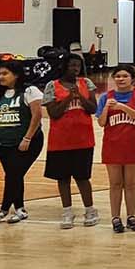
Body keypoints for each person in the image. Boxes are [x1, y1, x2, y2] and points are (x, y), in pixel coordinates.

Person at [0, 60, 46, 225]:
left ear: (16, 75)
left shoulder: (30, 91)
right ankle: (20, 209)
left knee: (13, 174)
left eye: (5, 74)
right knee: (14, 175)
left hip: (27, 142)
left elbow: (37, 115)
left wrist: (27, 137)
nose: (0, 77)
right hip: (3, 143)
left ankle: (3, 210)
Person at [44, 55, 99, 229]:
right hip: (60, 140)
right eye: (71, 65)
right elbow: (54, 113)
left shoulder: (86, 83)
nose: (75, 69)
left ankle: (90, 210)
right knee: (63, 178)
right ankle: (67, 211)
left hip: (83, 139)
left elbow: (93, 108)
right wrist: (69, 97)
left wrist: (80, 97)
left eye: (77, 66)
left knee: (83, 177)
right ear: (64, 66)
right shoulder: (52, 86)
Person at [100, 65, 135, 233]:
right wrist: (107, 108)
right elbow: (101, 122)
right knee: (115, 183)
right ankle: (115, 217)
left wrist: (123, 108)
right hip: (112, 145)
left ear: (132, 79)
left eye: (124, 76)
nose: (121, 79)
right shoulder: (105, 97)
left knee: (130, 184)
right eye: (117, 76)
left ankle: (131, 216)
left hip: (134, 144)